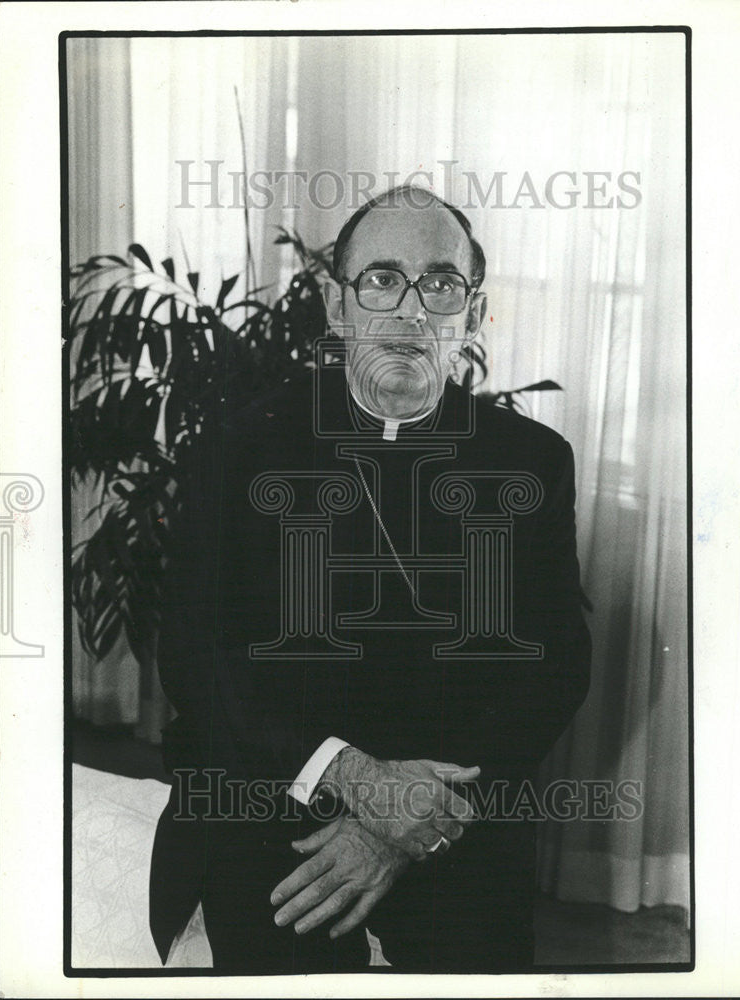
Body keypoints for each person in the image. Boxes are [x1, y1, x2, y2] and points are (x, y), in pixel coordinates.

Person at [149, 184, 591, 974]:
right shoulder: (242, 445)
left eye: (441, 283)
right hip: (273, 797)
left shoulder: (531, 461)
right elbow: (195, 655)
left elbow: (555, 665)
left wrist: (406, 820)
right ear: (337, 305)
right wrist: (355, 780)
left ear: (475, 313)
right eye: (381, 279)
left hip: (451, 808)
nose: (410, 310)